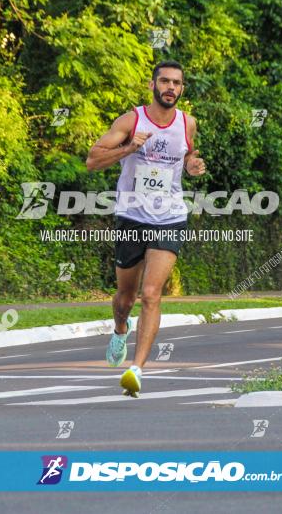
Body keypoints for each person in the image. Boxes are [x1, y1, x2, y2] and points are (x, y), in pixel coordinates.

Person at [85, 60, 206, 397]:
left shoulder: (188, 123)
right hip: (131, 216)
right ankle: (120, 329)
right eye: (164, 81)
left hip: (169, 217)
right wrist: (129, 148)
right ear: (152, 85)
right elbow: (93, 160)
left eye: (177, 83)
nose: (171, 87)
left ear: (182, 89)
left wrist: (192, 165)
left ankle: (135, 369)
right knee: (125, 298)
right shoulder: (131, 120)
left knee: (151, 294)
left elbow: (187, 155)